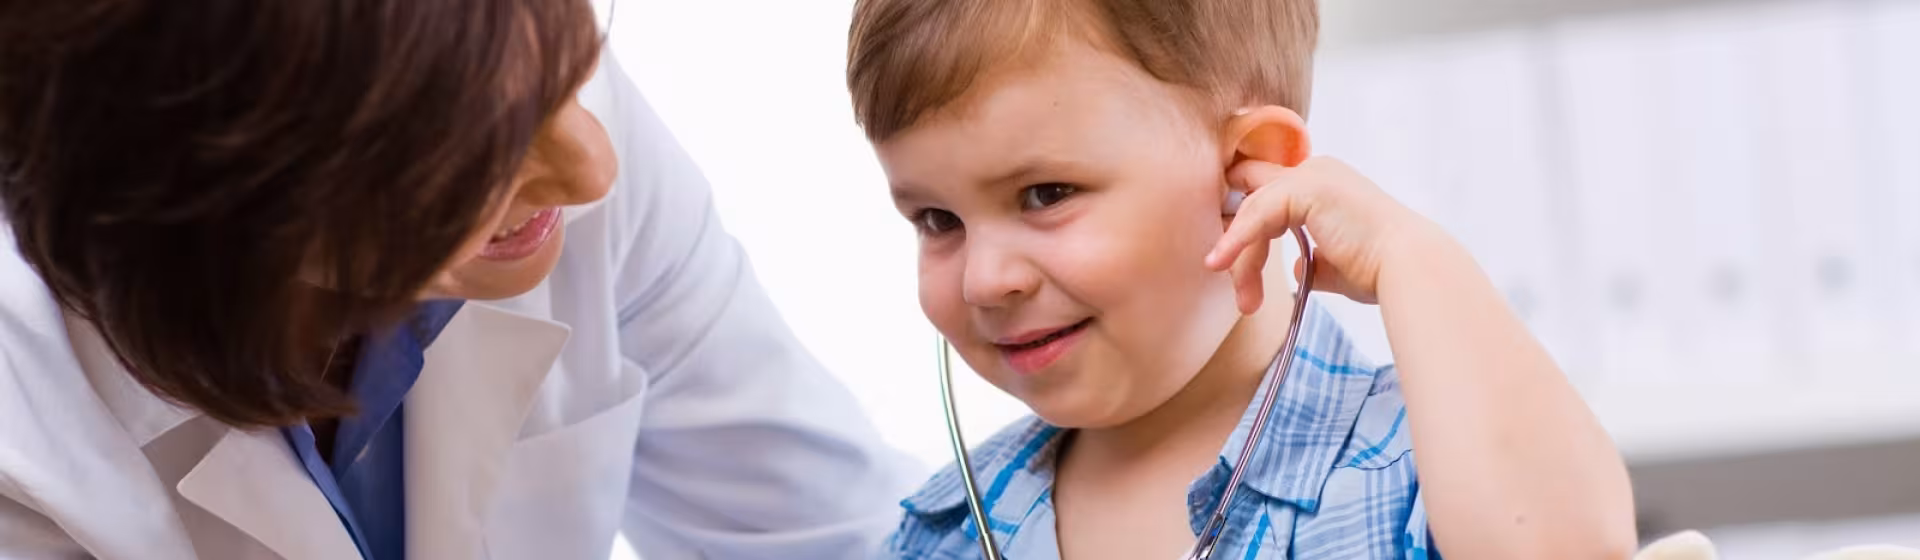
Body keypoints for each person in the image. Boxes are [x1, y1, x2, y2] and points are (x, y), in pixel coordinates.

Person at [0, 1, 919, 558]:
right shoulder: (23, 436)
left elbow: (841, 536)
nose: (592, 169)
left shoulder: (519, 74)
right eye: (477, 157)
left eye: (569, 68)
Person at [844, 0, 1637, 558]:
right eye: (937, 220)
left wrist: (1412, 257)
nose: (984, 280)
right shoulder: (935, 537)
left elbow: (1570, 550)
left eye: (1045, 195)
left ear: (1242, 174)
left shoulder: (1423, 471)